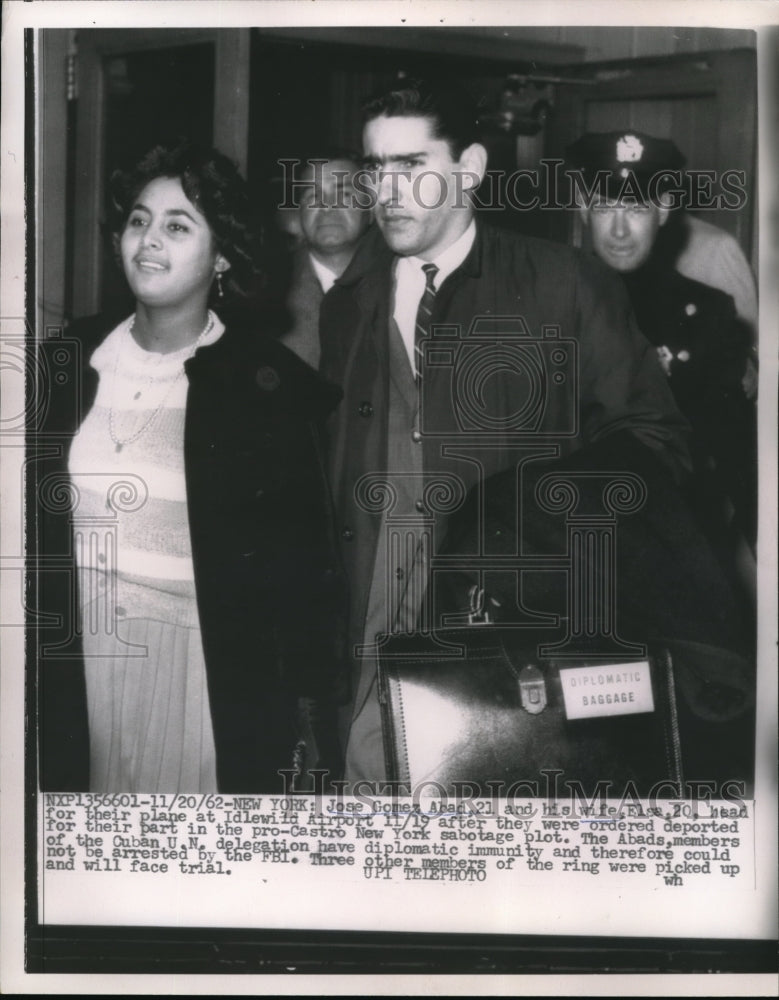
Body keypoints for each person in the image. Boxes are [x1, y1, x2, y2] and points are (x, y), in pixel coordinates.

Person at [319, 81, 698, 786]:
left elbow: (656, 445)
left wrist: (525, 516)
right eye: (375, 169)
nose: (387, 191)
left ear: (468, 168)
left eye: (410, 166)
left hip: (513, 646)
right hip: (371, 641)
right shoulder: (350, 298)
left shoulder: (565, 284)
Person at [36, 140, 347, 793]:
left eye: (178, 226)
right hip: (71, 672)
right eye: (138, 220)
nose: (148, 240)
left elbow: (301, 583)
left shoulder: (263, 389)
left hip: (199, 680)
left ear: (222, 253)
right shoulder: (63, 360)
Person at [566, 130, 756, 550]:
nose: (618, 229)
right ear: (583, 208)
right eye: (604, 207)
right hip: (563, 536)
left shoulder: (707, 315)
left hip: (668, 543)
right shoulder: (544, 302)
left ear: (664, 209)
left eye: (635, 207)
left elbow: (734, 451)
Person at [279, 152, 372, 369]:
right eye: (313, 196)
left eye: (344, 194)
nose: (327, 206)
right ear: (299, 212)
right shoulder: (269, 292)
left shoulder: (402, 284)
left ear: (371, 211)